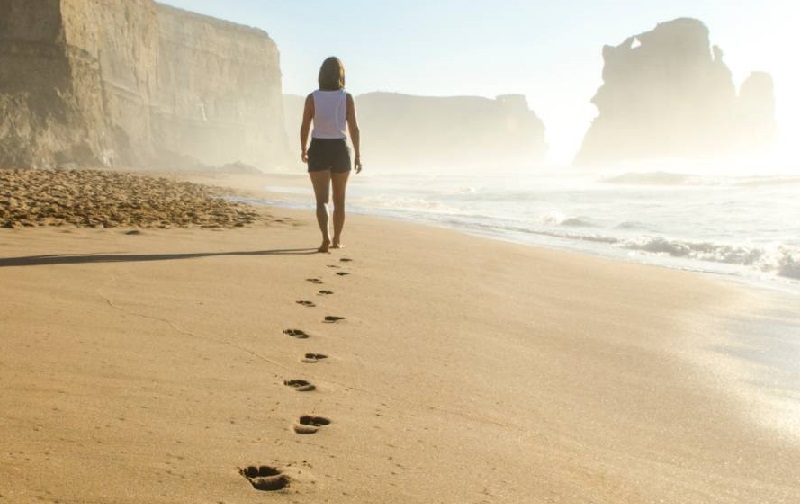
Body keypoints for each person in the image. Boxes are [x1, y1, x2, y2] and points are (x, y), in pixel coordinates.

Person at [300, 56, 362, 253]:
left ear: (321, 74)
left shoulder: (312, 98)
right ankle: (336, 240)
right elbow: (354, 128)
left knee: (322, 201)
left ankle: (324, 238)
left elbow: (304, 126)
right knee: (340, 200)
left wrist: (303, 149)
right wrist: (358, 155)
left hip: (318, 147)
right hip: (340, 149)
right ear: (341, 74)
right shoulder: (347, 97)